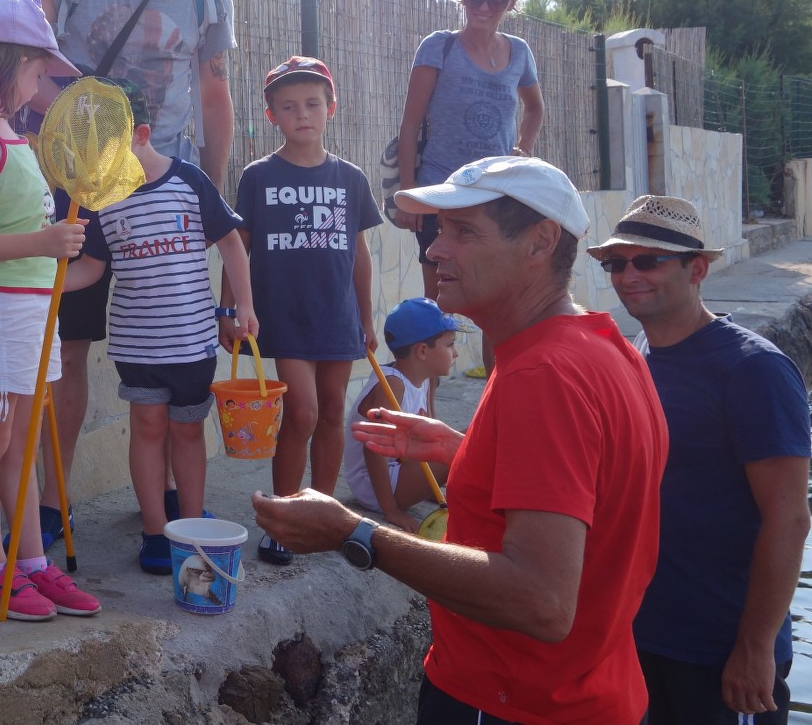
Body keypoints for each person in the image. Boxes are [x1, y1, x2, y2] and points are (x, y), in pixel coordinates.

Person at [253, 155, 668, 724]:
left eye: (463, 232)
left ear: (541, 243)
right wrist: (463, 449)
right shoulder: (605, 347)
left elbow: (541, 601)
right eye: (439, 230)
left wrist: (353, 533)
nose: (434, 250)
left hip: (513, 703)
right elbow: (591, 484)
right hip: (596, 693)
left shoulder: (540, 375)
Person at [27, 0, 238, 535]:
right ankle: (53, 502)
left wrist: (213, 185)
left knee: (176, 347)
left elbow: (214, 92)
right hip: (79, 184)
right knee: (71, 345)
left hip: (162, 183)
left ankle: (175, 507)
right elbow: (23, 61)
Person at [592, 195, 811, 724]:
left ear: (698, 269)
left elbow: (789, 517)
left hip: (721, 649)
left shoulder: (753, 370)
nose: (628, 276)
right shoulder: (640, 350)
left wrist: (755, 648)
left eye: (648, 261)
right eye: (616, 263)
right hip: (642, 635)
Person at [0, 0, 102, 621]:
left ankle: (30, 562)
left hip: (34, 309)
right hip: (0, 310)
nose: (41, 84)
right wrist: (43, 242)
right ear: (5, 60)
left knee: (22, 442)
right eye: (37, 70)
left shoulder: (12, 131)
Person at [65, 79, 258, 574]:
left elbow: (233, 243)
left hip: (193, 343)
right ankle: (155, 532)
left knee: (188, 433)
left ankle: (190, 528)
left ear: (142, 134)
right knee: (147, 430)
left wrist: (242, 309)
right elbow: (91, 268)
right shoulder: (100, 201)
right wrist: (43, 281)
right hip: (137, 345)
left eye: (108, 149)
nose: (100, 163)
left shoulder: (189, 181)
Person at [230, 56, 380, 566]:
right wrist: (235, 309)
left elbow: (359, 252)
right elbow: (239, 248)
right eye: (289, 106)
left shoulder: (351, 178)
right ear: (271, 116)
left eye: (313, 104)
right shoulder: (258, 176)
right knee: (302, 412)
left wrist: (366, 316)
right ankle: (286, 518)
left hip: (337, 315)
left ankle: (327, 517)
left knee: (334, 412)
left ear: (330, 108)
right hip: (285, 315)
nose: (302, 114)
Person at [394, 0, 544, 379]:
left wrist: (523, 148)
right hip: (440, 195)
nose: (484, 8)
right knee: (436, 316)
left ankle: (497, 415)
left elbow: (535, 108)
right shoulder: (439, 46)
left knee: (499, 308)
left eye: (496, 0)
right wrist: (407, 195)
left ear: (511, 3)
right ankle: (426, 420)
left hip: (494, 196)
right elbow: (410, 124)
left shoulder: (519, 52)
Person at [340, 298, 462, 532]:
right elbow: (373, 449)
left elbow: (433, 431)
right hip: (376, 485)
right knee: (466, 449)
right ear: (423, 351)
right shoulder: (393, 385)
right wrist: (390, 510)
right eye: (450, 345)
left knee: (464, 440)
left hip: (400, 467)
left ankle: (423, 488)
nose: (455, 353)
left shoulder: (426, 378)